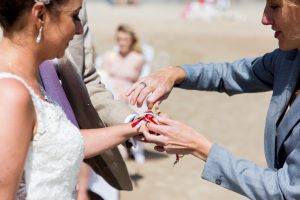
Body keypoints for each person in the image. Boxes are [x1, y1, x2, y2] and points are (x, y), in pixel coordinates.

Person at [127, 0, 300, 199]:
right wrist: (175, 73)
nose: (264, 19)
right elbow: (230, 74)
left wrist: (199, 147)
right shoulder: (289, 58)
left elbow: (285, 190)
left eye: (275, 6)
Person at [0, 0, 145, 198]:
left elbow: (59, 138)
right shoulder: (11, 93)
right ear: (40, 15)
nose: (79, 29)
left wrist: (136, 127)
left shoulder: (31, 81)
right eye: (74, 17)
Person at [99, 24, 146, 163]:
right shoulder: (110, 56)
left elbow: (139, 80)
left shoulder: (138, 58)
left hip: (129, 92)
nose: (122, 42)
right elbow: (103, 76)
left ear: (131, 40)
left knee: (138, 111)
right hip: (111, 90)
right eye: (119, 39)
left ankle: (136, 149)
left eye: (125, 39)